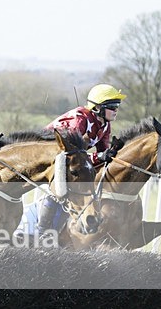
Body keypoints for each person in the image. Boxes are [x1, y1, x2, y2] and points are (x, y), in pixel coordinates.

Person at [36, 83, 127, 234]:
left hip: (69, 156)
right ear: (98, 108)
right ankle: (42, 230)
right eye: (112, 106)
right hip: (50, 154)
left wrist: (111, 153)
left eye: (117, 106)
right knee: (62, 189)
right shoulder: (80, 120)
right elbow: (73, 157)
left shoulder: (105, 125)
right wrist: (99, 156)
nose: (116, 110)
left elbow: (101, 154)